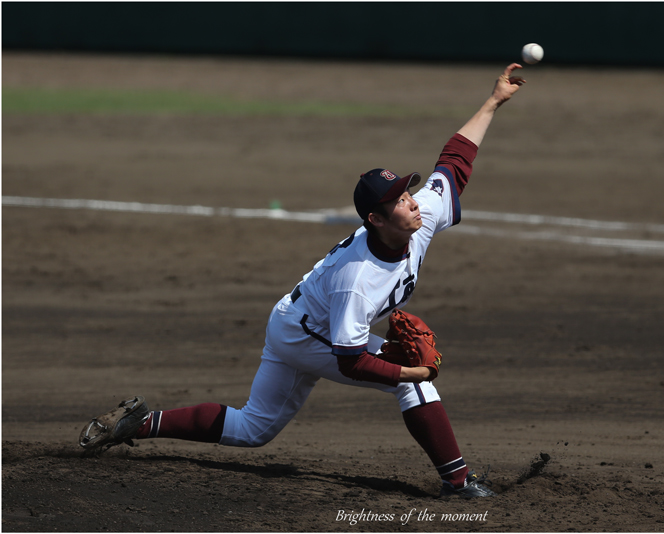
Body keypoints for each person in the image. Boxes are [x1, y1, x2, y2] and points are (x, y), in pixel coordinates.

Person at [79, 63, 526, 498]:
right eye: (398, 199)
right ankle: (458, 483)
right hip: (308, 334)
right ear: (375, 219)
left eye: (407, 190)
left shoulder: (419, 216)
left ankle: (141, 423)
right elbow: (350, 358)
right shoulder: (358, 279)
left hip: (293, 319)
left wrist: (493, 101)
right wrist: (413, 370)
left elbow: (453, 164)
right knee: (413, 384)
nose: (411, 201)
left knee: (253, 428)